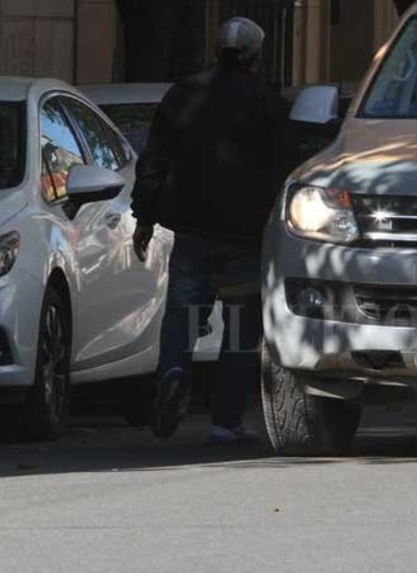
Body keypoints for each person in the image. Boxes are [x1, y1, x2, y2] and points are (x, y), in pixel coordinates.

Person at [131, 16, 293, 444]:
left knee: (182, 313)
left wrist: (144, 216)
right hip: (245, 235)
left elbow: (153, 160)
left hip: (191, 229)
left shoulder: (183, 94)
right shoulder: (268, 103)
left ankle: (173, 372)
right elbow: (285, 170)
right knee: (241, 330)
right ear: (257, 57)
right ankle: (226, 422)